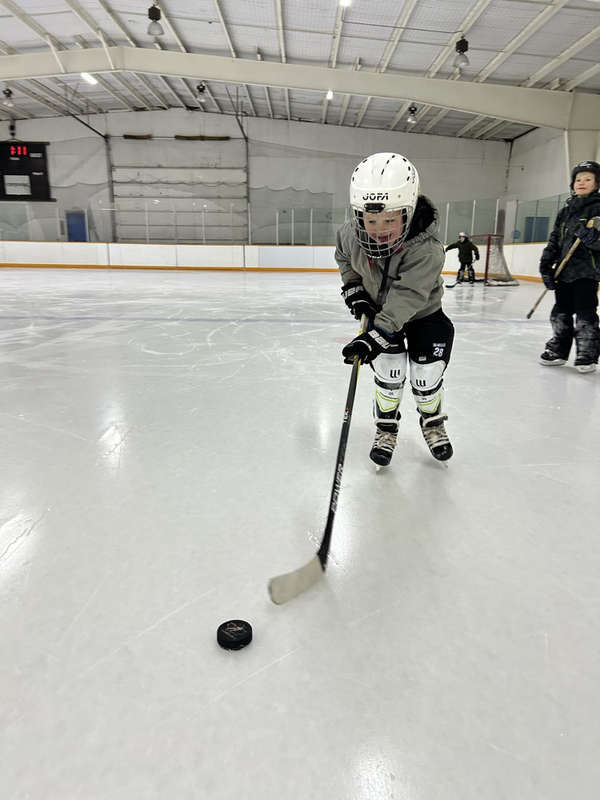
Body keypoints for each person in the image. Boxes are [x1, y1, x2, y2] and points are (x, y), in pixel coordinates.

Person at [335, 152, 454, 466]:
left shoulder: (426, 250)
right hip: (379, 315)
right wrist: (356, 291)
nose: (379, 229)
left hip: (422, 314)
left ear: (408, 212)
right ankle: (386, 428)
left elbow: (408, 297)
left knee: (426, 376)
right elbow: (344, 258)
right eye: (371, 220)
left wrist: (375, 336)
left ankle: (433, 422)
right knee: (389, 373)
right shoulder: (349, 234)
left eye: (390, 219)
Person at [539, 159, 600, 373]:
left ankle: (587, 354)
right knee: (560, 312)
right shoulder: (565, 212)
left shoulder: (598, 209)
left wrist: (592, 238)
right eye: (578, 179)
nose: (581, 182)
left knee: (585, 312)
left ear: (597, 183)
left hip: (587, 272)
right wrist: (546, 266)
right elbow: (555, 240)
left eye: (588, 179)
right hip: (563, 272)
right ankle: (558, 349)